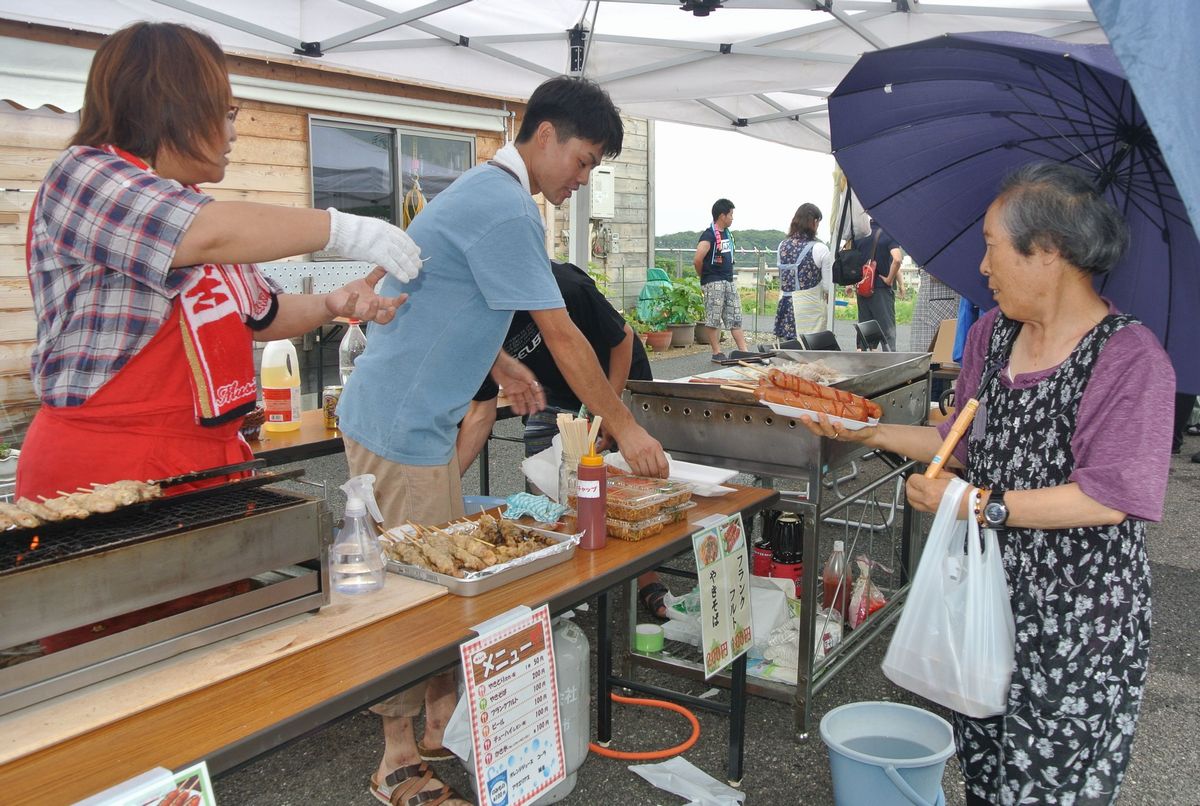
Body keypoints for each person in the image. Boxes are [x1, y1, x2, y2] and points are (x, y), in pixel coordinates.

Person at [336, 76, 668, 806]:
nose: (582, 181)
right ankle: (395, 760)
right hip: (401, 424)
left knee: (441, 581)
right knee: (409, 596)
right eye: (583, 161)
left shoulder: (483, 191)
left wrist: (504, 364)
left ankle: (437, 720)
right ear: (543, 134)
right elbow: (567, 337)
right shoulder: (506, 209)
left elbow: (446, 294)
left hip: (412, 420)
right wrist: (625, 425)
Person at [802, 161, 1174, 804]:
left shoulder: (1129, 359)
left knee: (1050, 784)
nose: (982, 266)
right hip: (983, 600)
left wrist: (973, 503)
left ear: (1049, 251)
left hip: (1075, 624)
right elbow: (961, 443)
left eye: (992, 246)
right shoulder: (995, 337)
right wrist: (867, 433)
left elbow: (1108, 498)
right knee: (985, 770)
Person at [17, 21, 418, 501]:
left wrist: (333, 302)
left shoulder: (193, 205)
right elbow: (202, 233)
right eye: (226, 113)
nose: (232, 133)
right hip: (105, 467)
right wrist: (346, 228)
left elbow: (260, 314)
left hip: (202, 460)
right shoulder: (84, 175)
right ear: (173, 105)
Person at [456, 260, 669, 618]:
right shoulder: (482, 321)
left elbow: (624, 341)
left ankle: (645, 576)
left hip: (615, 381)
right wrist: (445, 484)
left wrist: (610, 417)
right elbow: (481, 414)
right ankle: (568, 571)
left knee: (624, 485)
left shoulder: (564, 287)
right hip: (555, 393)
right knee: (551, 479)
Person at [693, 198, 748, 361]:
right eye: (731, 214)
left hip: (728, 280)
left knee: (735, 315)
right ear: (722, 215)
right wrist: (704, 276)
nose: (732, 218)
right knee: (714, 317)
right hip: (713, 281)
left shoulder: (728, 235)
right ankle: (717, 352)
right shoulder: (709, 235)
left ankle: (744, 352)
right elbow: (697, 259)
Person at [774, 203, 831, 341]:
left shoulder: (782, 245)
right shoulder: (820, 248)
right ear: (814, 222)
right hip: (809, 308)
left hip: (785, 305)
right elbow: (828, 287)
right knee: (809, 352)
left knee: (787, 353)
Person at [856, 220, 903, 351]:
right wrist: (889, 279)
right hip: (881, 290)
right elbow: (897, 259)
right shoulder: (888, 234)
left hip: (862, 289)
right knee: (887, 333)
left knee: (865, 334)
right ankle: (888, 366)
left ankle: (865, 366)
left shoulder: (860, 234)